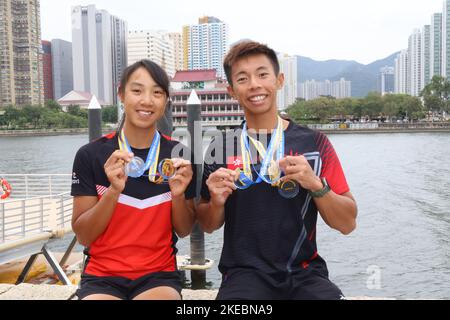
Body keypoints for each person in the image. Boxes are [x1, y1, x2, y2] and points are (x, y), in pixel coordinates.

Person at [196, 41, 358, 300]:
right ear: (231, 90)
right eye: (242, 78)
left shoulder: (315, 143)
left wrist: (316, 185)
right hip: (244, 276)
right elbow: (207, 225)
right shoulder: (220, 147)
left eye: (262, 74)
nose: (254, 85)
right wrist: (216, 201)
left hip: (304, 274)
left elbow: (348, 223)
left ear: (279, 80)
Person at [71, 60, 196, 300]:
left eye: (157, 92)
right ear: (121, 94)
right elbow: (84, 236)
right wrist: (113, 191)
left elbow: (184, 229)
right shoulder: (91, 155)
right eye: (137, 90)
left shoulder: (179, 155)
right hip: (102, 275)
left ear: (166, 100)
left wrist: (178, 196)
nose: (147, 100)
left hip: (158, 274)